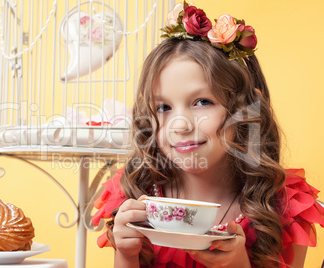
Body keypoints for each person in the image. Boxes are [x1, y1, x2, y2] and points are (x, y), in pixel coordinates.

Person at [92, 2, 324, 267]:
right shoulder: (135, 193)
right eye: (163, 107)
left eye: (202, 102)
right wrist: (126, 253)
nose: (179, 125)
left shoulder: (283, 207)